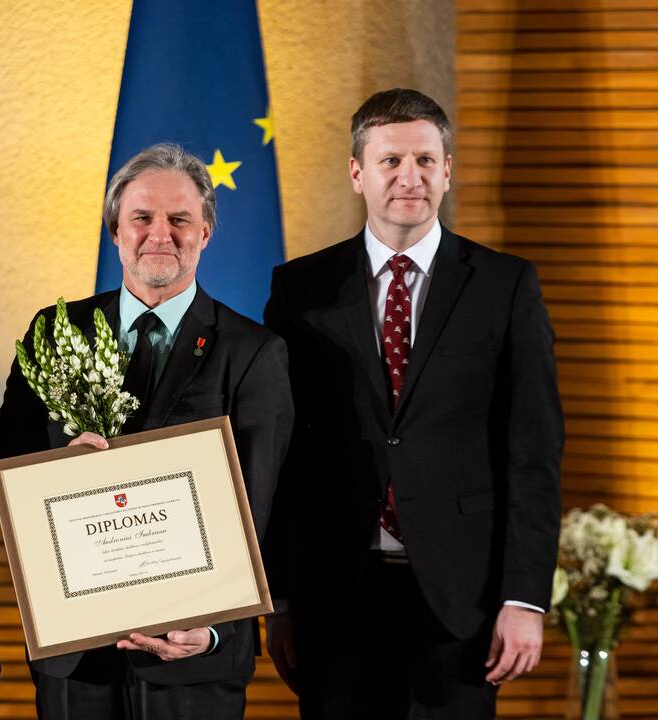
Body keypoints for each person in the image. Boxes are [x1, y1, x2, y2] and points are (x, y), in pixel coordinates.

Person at [262, 88, 564, 719]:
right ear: (356, 173)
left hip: (463, 604)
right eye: (391, 161)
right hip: (334, 596)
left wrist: (526, 598)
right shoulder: (300, 289)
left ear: (447, 170)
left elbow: (533, 456)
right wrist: (282, 598)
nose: (410, 177)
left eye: (426, 160)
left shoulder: (506, 286)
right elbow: (286, 455)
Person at [0, 143, 293, 719]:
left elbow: (264, 508)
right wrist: (53, 473)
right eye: (142, 218)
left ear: (206, 233)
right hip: (77, 659)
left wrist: (216, 630)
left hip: (193, 657)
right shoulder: (55, 332)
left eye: (180, 219)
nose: (161, 234)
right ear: (115, 232)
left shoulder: (253, 353)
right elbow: (2, 466)